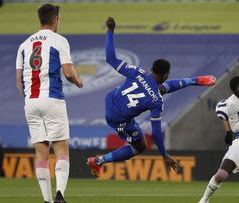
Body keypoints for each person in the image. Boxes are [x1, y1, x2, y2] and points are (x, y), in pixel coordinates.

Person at [86, 17, 216, 176]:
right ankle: (98, 161)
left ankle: (193, 81)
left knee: (158, 90)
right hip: (117, 118)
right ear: (166, 75)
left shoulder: (137, 72)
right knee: (139, 146)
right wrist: (164, 155)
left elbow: (110, 59)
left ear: (152, 69)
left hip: (110, 100)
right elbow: (155, 133)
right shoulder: (156, 101)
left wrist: (110, 31)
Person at [16, 4, 83, 203]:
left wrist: (29, 99)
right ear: (56, 20)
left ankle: (46, 200)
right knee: (61, 150)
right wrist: (78, 81)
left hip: (31, 102)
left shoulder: (23, 45)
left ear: (40, 19)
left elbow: (19, 80)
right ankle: (60, 196)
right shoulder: (59, 40)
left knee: (41, 153)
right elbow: (69, 72)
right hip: (52, 99)